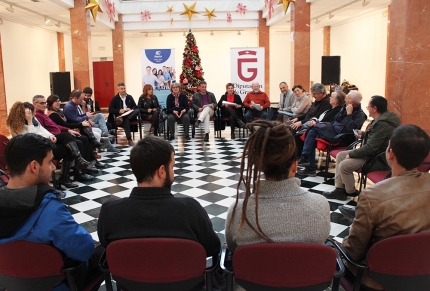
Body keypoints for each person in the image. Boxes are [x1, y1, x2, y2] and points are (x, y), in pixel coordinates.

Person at [0, 133, 103, 291]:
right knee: (103, 250)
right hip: (57, 284)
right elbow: (84, 249)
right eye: (50, 162)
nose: (54, 167)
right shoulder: (49, 209)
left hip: (10, 282)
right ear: (34, 167)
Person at [97, 136, 220, 258]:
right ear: (161, 171)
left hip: (128, 277)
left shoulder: (110, 211)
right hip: (182, 277)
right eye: (172, 167)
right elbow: (212, 248)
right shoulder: (189, 210)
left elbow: (107, 245)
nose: (173, 172)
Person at [340, 124, 430, 290]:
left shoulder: (373, 195)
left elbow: (353, 251)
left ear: (391, 153)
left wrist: (338, 248)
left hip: (377, 280)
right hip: (424, 276)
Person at [225, 120, 330, 254]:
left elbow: (234, 251)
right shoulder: (320, 205)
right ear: (295, 166)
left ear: (259, 165)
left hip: (254, 274)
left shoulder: (239, 211)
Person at [323, 95, 401, 200]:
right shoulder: (380, 119)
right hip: (372, 153)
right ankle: (340, 190)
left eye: (368, 106)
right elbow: (376, 138)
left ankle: (351, 191)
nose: (367, 108)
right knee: (341, 155)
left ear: (375, 108)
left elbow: (371, 148)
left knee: (344, 165)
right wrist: (363, 134)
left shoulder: (383, 124)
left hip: (377, 158)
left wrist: (351, 154)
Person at [6, 102, 79, 188]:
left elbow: (41, 129)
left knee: (68, 147)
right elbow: (31, 140)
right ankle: (78, 160)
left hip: (42, 146)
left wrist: (50, 135)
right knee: (66, 143)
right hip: (30, 152)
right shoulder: (16, 126)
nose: (34, 114)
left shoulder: (34, 119)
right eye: (30, 113)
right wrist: (29, 122)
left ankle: (65, 177)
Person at [297, 90, 367, 176]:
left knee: (312, 133)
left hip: (342, 138)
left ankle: (307, 162)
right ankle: (306, 160)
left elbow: (350, 130)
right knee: (312, 132)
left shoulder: (360, 114)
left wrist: (349, 114)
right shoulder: (345, 107)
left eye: (347, 98)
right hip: (333, 131)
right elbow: (335, 120)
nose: (345, 99)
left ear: (351, 101)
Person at [32, 95, 97, 174]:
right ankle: (80, 167)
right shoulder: (41, 115)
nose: (44, 105)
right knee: (72, 138)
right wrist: (78, 124)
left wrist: (68, 130)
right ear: (34, 104)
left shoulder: (46, 114)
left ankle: (86, 164)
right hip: (52, 138)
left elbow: (57, 126)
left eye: (45, 103)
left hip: (58, 135)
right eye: (42, 103)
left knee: (83, 138)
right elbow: (43, 130)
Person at [294, 90, 346, 154]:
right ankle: (302, 156)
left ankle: (304, 157)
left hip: (323, 131)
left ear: (336, 101)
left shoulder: (338, 111)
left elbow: (329, 123)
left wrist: (316, 124)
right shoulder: (330, 107)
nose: (329, 98)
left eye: (332, 97)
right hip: (317, 126)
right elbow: (318, 115)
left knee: (303, 134)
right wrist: (314, 120)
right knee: (297, 131)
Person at [108, 82, 140, 146]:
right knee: (126, 120)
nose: (123, 90)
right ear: (118, 89)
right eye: (122, 89)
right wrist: (119, 111)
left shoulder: (129, 97)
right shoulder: (115, 98)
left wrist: (130, 109)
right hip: (120, 115)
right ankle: (129, 139)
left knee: (137, 110)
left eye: (124, 88)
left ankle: (126, 118)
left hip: (129, 115)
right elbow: (110, 109)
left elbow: (135, 106)